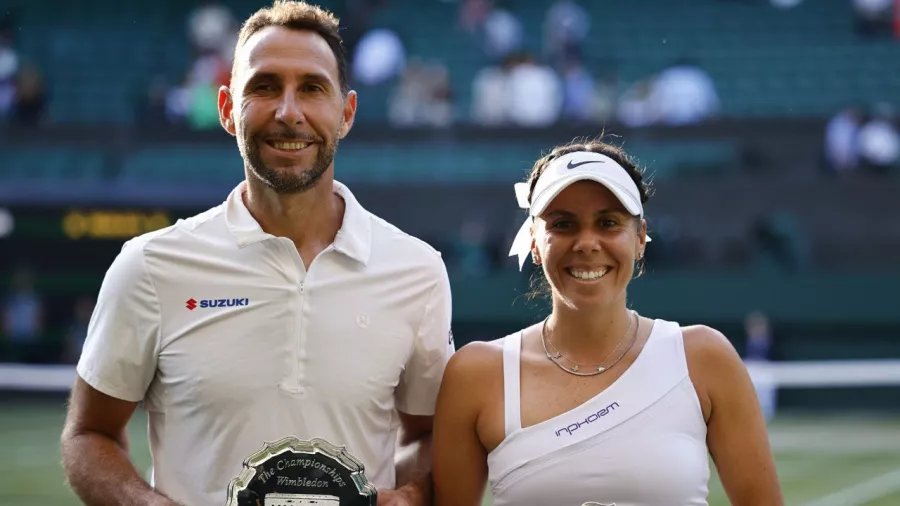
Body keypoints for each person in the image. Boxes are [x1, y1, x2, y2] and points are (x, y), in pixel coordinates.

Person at [60, 3, 453, 506]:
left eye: (312, 88)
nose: (289, 113)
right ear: (226, 109)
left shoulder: (416, 270)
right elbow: (89, 433)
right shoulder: (149, 266)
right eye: (264, 87)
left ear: (347, 113)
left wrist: (412, 496)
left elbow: (425, 434)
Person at [432, 139, 783, 505]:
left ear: (641, 237)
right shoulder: (475, 375)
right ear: (534, 241)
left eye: (608, 223)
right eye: (563, 224)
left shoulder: (705, 359)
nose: (587, 243)